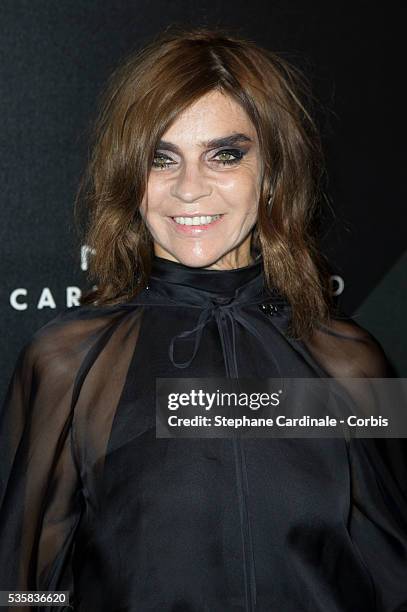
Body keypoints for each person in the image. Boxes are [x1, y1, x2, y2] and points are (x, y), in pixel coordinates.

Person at [0, 25, 406, 612]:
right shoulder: (70, 362)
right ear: (129, 179)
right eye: (161, 158)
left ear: (273, 170)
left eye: (225, 154)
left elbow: (390, 567)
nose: (189, 189)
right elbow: (23, 585)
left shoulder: (346, 358)